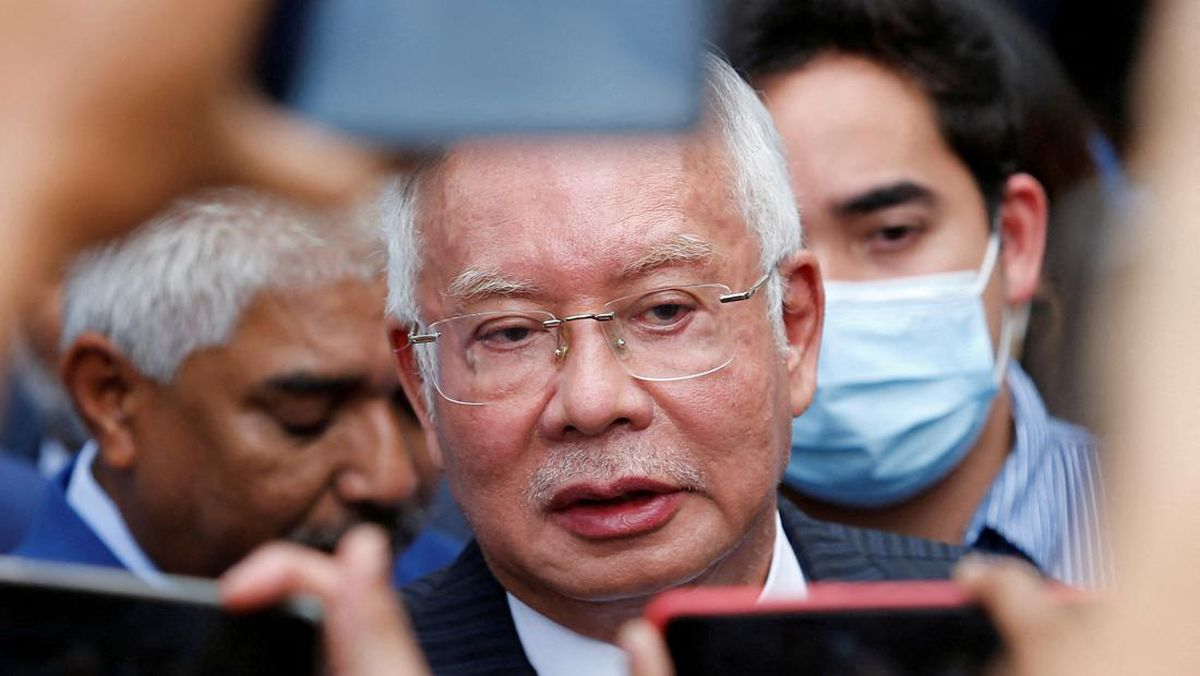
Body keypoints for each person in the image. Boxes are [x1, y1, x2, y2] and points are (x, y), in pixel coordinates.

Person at [357, 54, 970, 674]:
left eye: (665, 311)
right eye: (511, 333)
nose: (593, 403)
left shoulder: (999, 639)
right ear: (422, 385)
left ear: (793, 328)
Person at [725, 0, 1108, 587]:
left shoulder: (1168, 531)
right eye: (779, 252)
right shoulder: (640, 566)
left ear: (1016, 240)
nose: (824, 295)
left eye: (892, 233)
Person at [12, 189, 425, 581]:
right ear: (112, 399)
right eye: (305, 416)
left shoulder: (445, 594)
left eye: (411, 402)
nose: (392, 478)